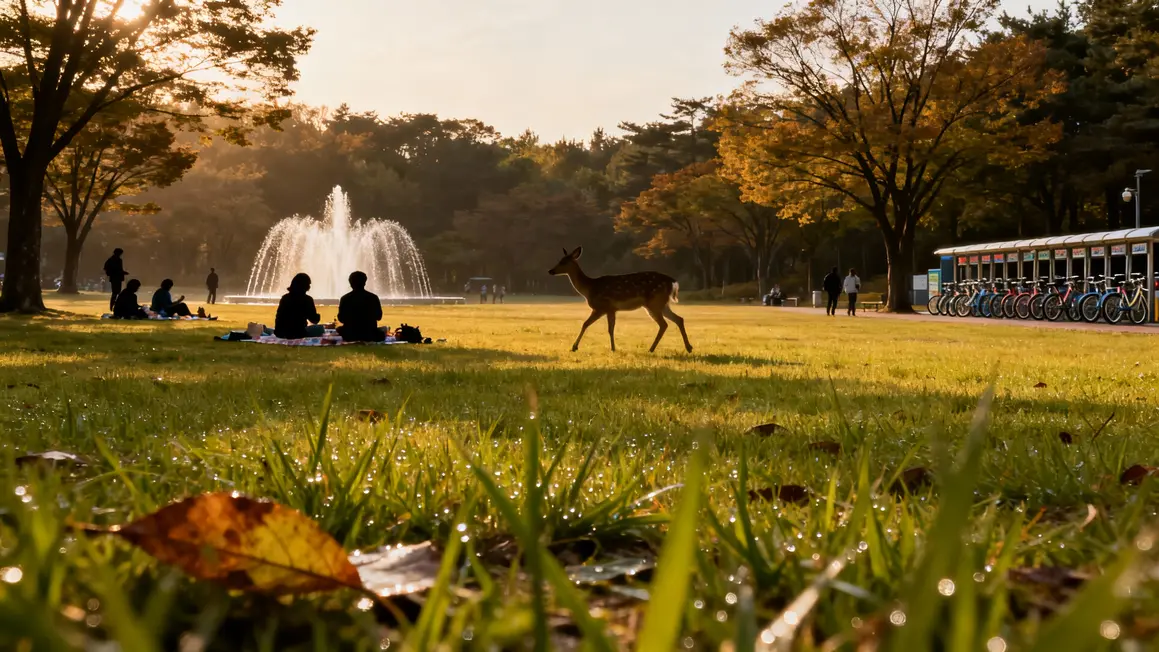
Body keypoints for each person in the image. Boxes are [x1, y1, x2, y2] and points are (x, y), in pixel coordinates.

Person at [337, 271, 386, 342]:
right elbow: (379, 317)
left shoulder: (345, 298)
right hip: (369, 333)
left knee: (339, 329)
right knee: (382, 331)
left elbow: (341, 318)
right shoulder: (373, 297)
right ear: (364, 282)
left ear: (350, 283)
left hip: (350, 334)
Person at [275, 273, 323, 339]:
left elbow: (278, 317)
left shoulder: (285, 298)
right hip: (299, 333)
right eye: (308, 284)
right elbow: (314, 320)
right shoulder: (307, 299)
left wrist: (278, 332)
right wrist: (318, 315)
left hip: (282, 333)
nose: (309, 287)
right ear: (305, 286)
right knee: (320, 329)